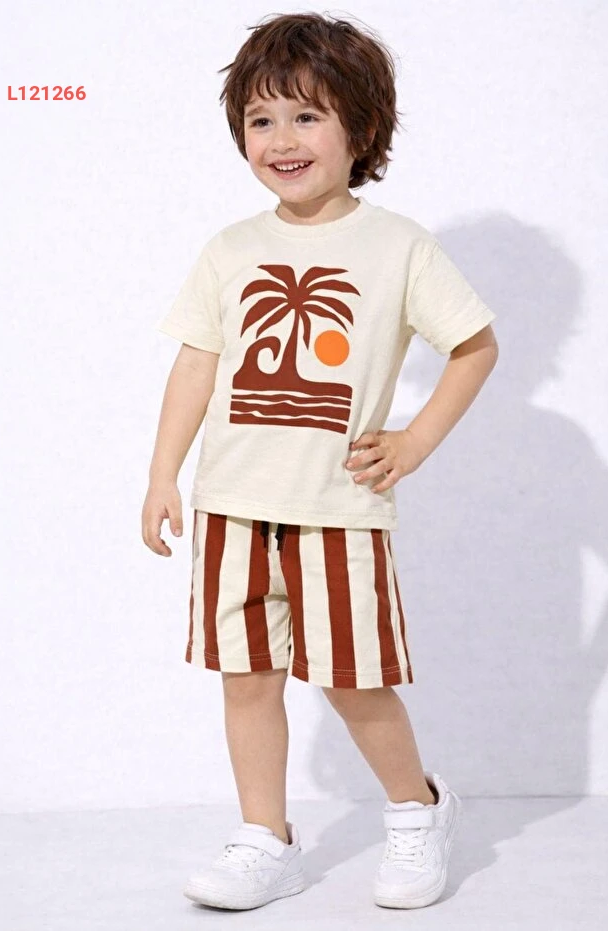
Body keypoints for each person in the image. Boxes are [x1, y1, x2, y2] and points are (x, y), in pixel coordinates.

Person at [142, 11, 498, 913]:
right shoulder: (229, 250)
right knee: (246, 678)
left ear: (361, 129)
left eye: (307, 115)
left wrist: (413, 441)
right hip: (232, 507)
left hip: (339, 510)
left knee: (354, 681)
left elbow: (474, 345)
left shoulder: (398, 245)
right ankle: (265, 837)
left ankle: (416, 810)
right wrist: (161, 475)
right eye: (260, 119)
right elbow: (196, 363)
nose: (282, 139)